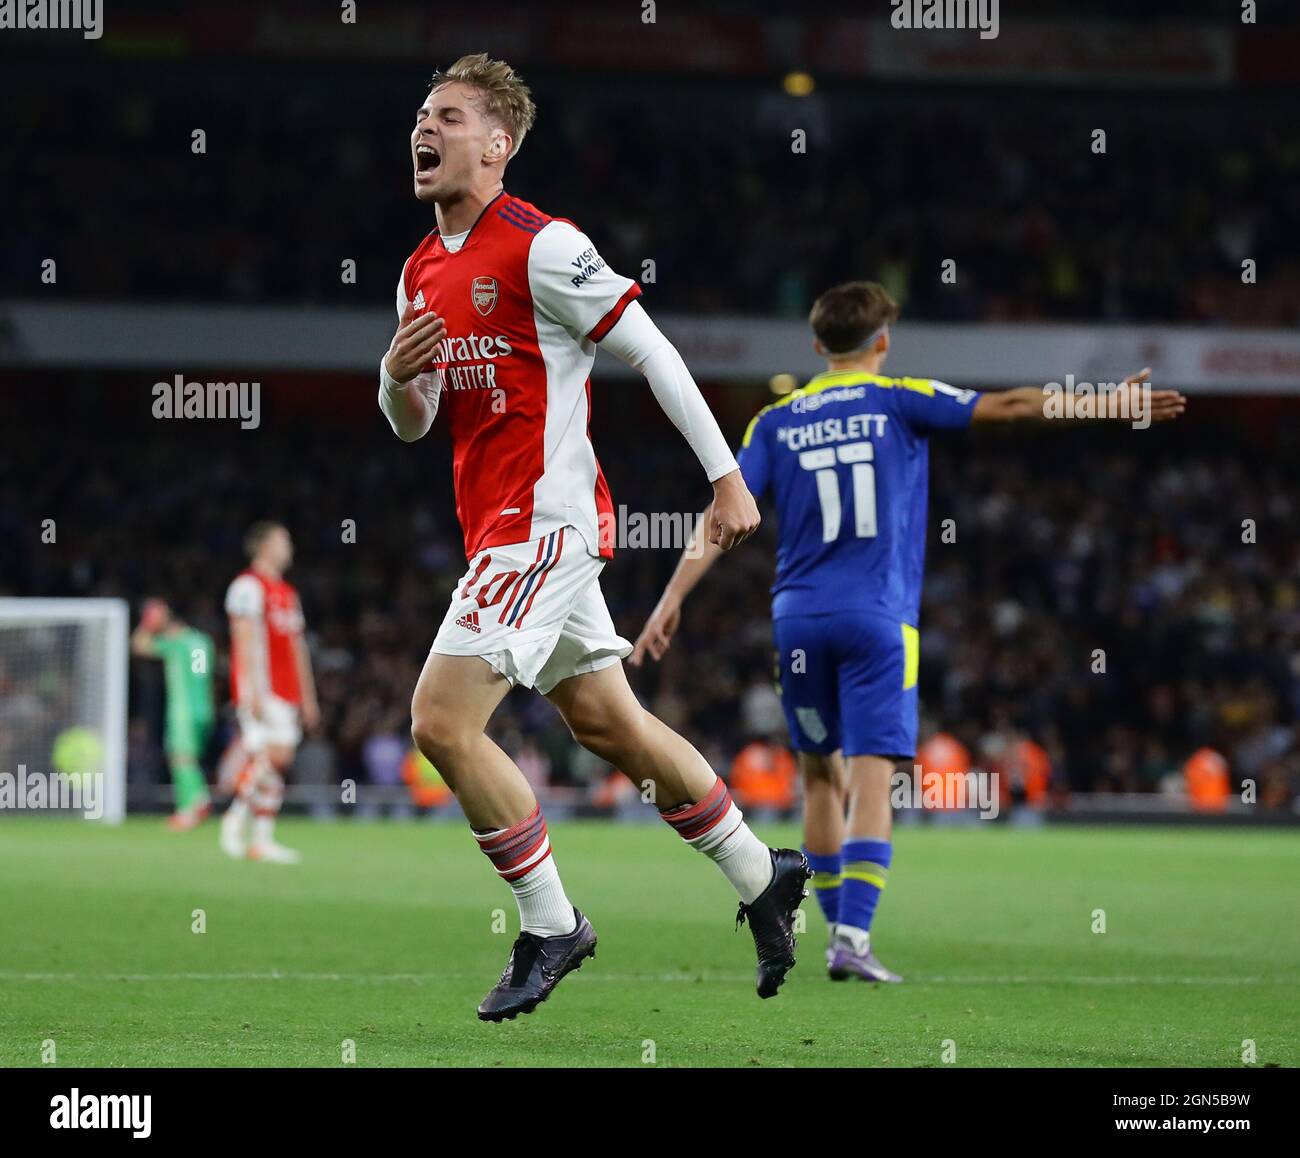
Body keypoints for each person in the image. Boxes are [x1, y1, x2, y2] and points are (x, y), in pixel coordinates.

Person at [378, 53, 810, 1021]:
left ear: (497, 145)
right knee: (608, 725)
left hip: (545, 524)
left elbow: (649, 347)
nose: (425, 127)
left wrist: (726, 477)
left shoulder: (540, 244)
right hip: (498, 528)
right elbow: (414, 423)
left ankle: (551, 924)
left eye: (447, 116)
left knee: (441, 721)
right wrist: (393, 375)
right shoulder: (418, 270)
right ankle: (760, 872)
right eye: (420, 113)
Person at [632, 279, 1186, 982]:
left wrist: (672, 596)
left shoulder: (777, 419)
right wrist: (1108, 402)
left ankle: (824, 930)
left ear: (816, 345)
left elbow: (724, 509)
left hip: (797, 616)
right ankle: (852, 942)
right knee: (871, 779)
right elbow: (1012, 407)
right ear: (882, 341)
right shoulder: (899, 397)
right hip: (878, 618)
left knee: (818, 778)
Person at [220, 522, 319, 863]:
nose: (289, 546)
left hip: (288, 689)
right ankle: (233, 821)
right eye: (283, 540)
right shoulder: (247, 586)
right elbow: (243, 639)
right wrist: (251, 691)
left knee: (277, 763)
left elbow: (297, 647)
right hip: (262, 688)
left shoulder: (288, 593)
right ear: (263, 546)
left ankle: (261, 840)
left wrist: (308, 697)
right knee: (273, 756)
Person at [130, 598, 216, 830]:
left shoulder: (175, 643)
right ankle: (194, 804)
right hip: (204, 707)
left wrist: (148, 624)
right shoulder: (201, 641)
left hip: (183, 708)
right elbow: (202, 675)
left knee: (181, 758)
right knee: (189, 758)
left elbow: (138, 645)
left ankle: (193, 805)